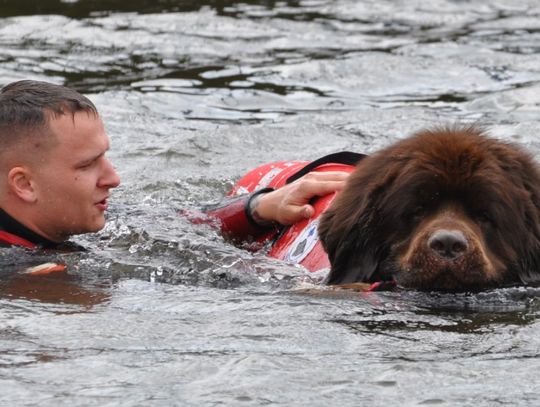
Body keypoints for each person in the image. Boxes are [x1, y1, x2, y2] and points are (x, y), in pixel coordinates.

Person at [0, 80, 348, 251]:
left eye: (104, 156)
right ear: (24, 184)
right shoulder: (15, 274)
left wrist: (261, 207)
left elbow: (168, 225)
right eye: (89, 164)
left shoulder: (65, 219)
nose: (113, 178)